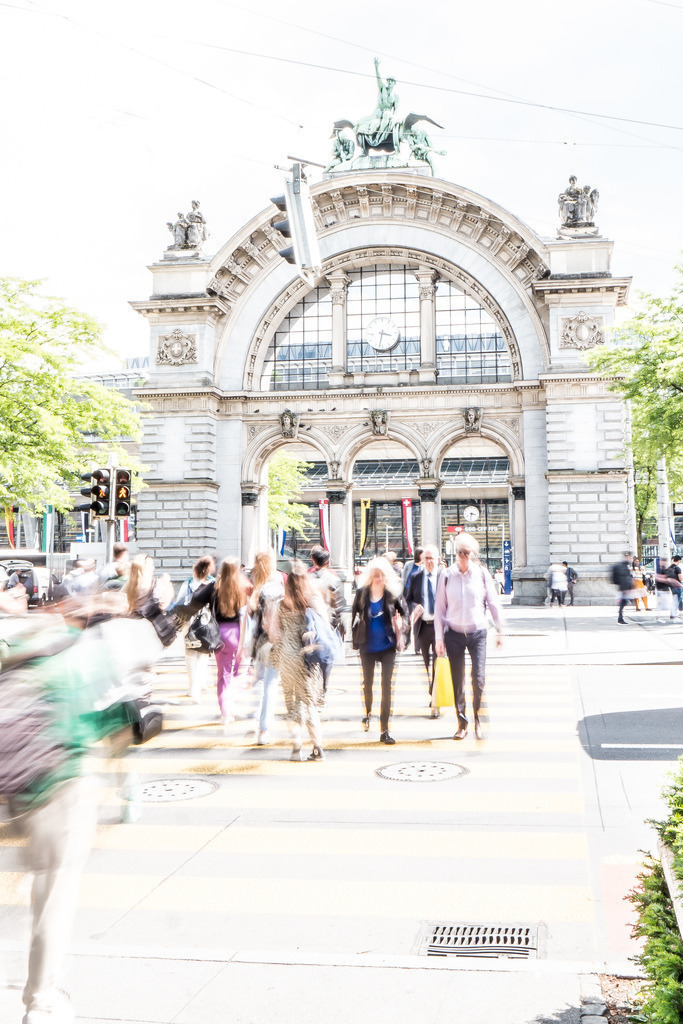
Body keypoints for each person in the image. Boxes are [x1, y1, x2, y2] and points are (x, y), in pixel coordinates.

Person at [434, 533, 503, 741]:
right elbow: (439, 609)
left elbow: (493, 602)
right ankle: (462, 722)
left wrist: (499, 629)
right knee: (458, 680)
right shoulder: (447, 575)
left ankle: (478, 721)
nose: (462, 557)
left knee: (479, 679)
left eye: (466, 553)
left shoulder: (481, 574)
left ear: (473, 555)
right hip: (454, 634)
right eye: (459, 552)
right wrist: (439, 638)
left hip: (477, 633)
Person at [184, 558, 248, 731]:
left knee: (223, 674)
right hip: (238, 633)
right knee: (239, 672)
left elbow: (195, 600)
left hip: (219, 634)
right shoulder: (242, 588)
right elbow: (248, 613)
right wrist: (243, 644)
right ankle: (230, 703)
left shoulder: (214, 587)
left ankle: (226, 711)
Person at [270, 565, 325, 761]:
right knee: (309, 702)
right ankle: (317, 747)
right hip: (307, 656)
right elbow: (324, 627)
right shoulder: (311, 602)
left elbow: (273, 633)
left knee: (292, 703)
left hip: (286, 656)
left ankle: (296, 746)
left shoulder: (280, 604)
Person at [351, 556, 408, 744]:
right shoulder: (362, 594)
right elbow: (354, 617)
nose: (378, 578)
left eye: (381, 575)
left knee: (386, 687)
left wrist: (401, 627)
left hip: (387, 647)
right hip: (367, 646)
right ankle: (367, 711)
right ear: (370, 576)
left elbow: (405, 615)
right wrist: (354, 641)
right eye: (375, 575)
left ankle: (385, 729)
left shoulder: (392, 595)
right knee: (367, 684)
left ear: (386, 577)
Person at [247, 550, 284, 745]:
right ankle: (264, 728)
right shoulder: (275, 589)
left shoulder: (256, 589)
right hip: (272, 642)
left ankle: (258, 719)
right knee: (271, 684)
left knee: (261, 681)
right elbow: (272, 621)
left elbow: (251, 619)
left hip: (257, 642)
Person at [172, 554, 216, 702]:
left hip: (190, 623)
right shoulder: (213, 584)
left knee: (190, 656)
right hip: (206, 622)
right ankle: (200, 684)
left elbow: (180, 602)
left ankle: (193, 688)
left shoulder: (188, 583)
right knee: (203, 656)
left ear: (195, 570)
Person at [405, 544, 443, 716]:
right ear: (422, 560)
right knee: (426, 663)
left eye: (432, 558)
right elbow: (408, 599)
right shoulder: (416, 577)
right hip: (423, 627)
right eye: (426, 558)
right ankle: (432, 689)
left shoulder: (444, 577)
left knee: (438, 662)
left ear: (438, 560)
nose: (429, 562)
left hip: (439, 627)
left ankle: (435, 700)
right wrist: (415, 606)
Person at [308, 545, 344, 691]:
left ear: (312, 560)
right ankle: (324, 686)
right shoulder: (333, 579)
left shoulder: (307, 579)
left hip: (311, 622)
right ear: (327, 561)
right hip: (328, 622)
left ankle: (311, 685)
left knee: (310, 655)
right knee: (327, 657)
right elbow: (339, 603)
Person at [610, 553, 634, 624]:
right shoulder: (623, 566)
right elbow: (624, 578)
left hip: (624, 588)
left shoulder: (626, 565)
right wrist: (625, 589)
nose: (631, 559)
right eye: (630, 557)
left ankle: (620, 618)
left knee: (623, 603)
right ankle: (620, 619)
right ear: (627, 557)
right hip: (624, 589)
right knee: (623, 603)